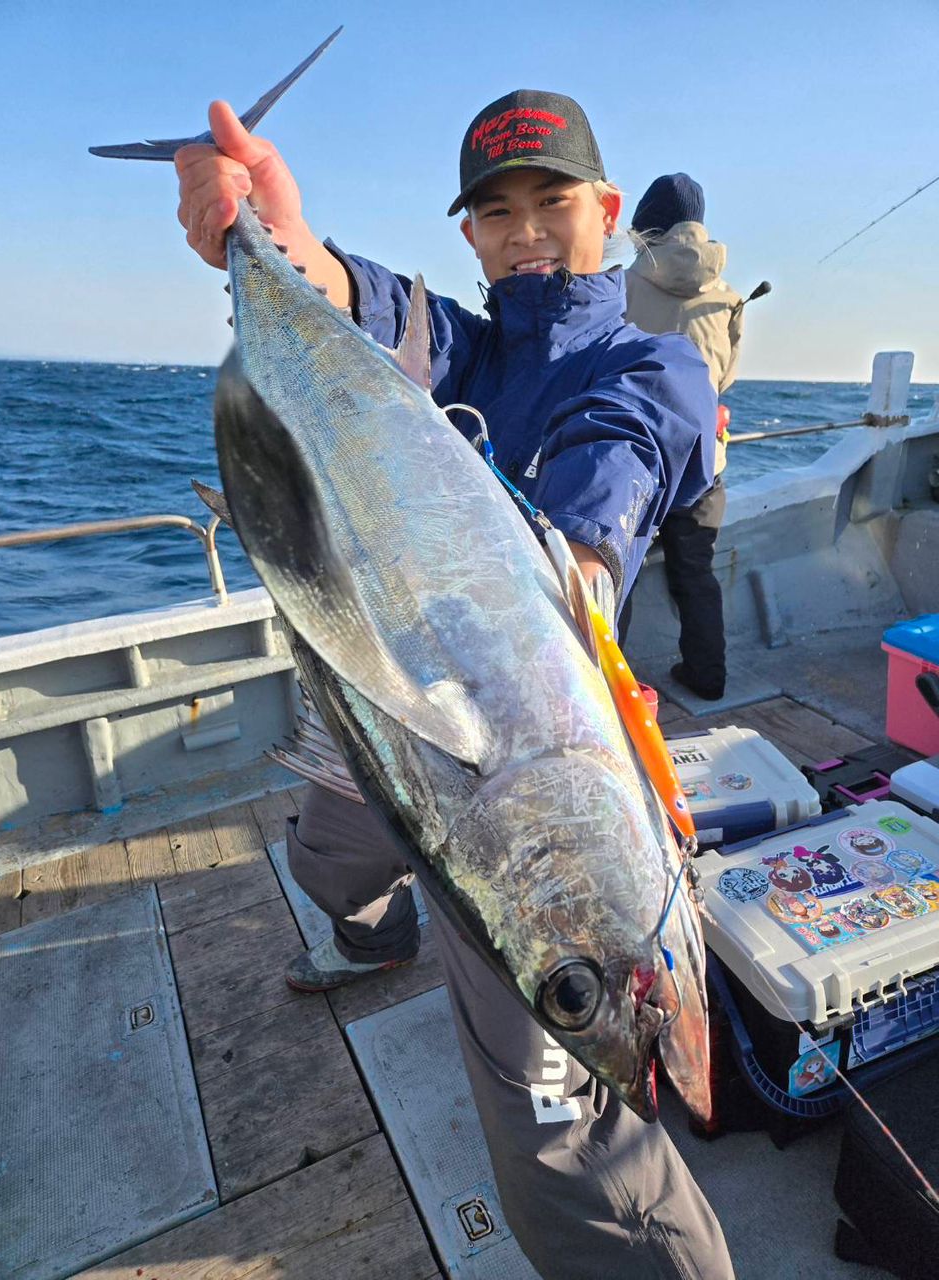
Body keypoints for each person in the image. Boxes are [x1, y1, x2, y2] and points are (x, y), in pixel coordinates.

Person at [176, 90, 734, 1280]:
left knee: (558, 1120)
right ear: (471, 235)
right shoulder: (466, 350)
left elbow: (623, 450)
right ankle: (376, 933)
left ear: (608, 210)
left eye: (553, 201)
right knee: (327, 856)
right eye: (498, 212)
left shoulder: (657, 362)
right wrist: (272, 237)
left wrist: (580, 555)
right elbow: (363, 301)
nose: (527, 230)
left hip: (515, 751)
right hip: (401, 713)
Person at [623, 174, 743, 701]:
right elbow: (726, 376)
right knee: (695, 572)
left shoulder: (619, 285)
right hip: (701, 461)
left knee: (617, 575)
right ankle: (707, 675)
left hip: (639, 460)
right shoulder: (728, 295)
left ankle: (609, 690)